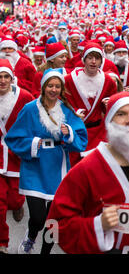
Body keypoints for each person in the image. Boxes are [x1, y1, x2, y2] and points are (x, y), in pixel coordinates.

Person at [47, 92, 129, 254]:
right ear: (109, 121)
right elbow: (55, 224)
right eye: (121, 114)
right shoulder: (87, 168)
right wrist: (97, 225)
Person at [5, 68, 88, 254]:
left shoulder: (66, 109)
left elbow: (81, 139)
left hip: (58, 166)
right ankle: (31, 236)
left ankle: (46, 251)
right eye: (50, 85)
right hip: (35, 165)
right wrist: (33, 144)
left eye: (57, 86)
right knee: (38, 217)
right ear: (43, 87)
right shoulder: (30, 109)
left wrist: (70, 133)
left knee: (54, 218)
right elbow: (13, 138)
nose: (53, 89)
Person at [0, 59, 34, 254]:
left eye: (6, 76)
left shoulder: (24, 96)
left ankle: (18, 204)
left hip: (16, 155)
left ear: (12, 78)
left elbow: (35, 118)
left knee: (13, 200)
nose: (2, 81)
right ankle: (2, 243)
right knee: (0, 204)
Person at [64, 43, 117, 165]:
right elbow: (62, 104)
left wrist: (108, 105)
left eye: (97, 58)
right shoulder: (69, 80)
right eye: (90, 58)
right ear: (84, 59)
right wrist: (73, 113)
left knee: (96, 167)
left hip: (98, 132)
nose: (93, 62)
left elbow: (112, 112)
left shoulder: (108, 81)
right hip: (76, 132)